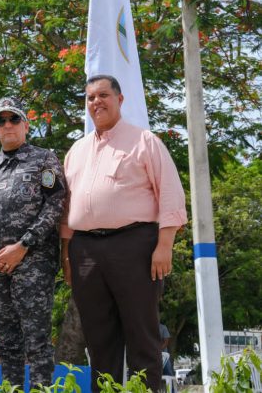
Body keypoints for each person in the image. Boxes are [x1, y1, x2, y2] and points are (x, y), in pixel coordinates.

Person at [61, 75, 188, 392]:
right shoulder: (76, 150)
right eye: (90, 97)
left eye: (103, 95)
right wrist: (66, 254)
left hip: (135, 245)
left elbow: (170, 194)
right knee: (98, 338)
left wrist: (165, 245)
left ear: (120, 99)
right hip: (85, 250)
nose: (96, 102)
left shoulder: (145, 141)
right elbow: (66, 208)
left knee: (142, 334)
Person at [0, 96, 66, 389]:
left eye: (14, 119)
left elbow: (55, 203)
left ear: (26, 125)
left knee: (36, 341)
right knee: (6, 342)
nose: (7, 125)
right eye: (1, 120)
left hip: (32, 263)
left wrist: (24, 246)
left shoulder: (43, 159)